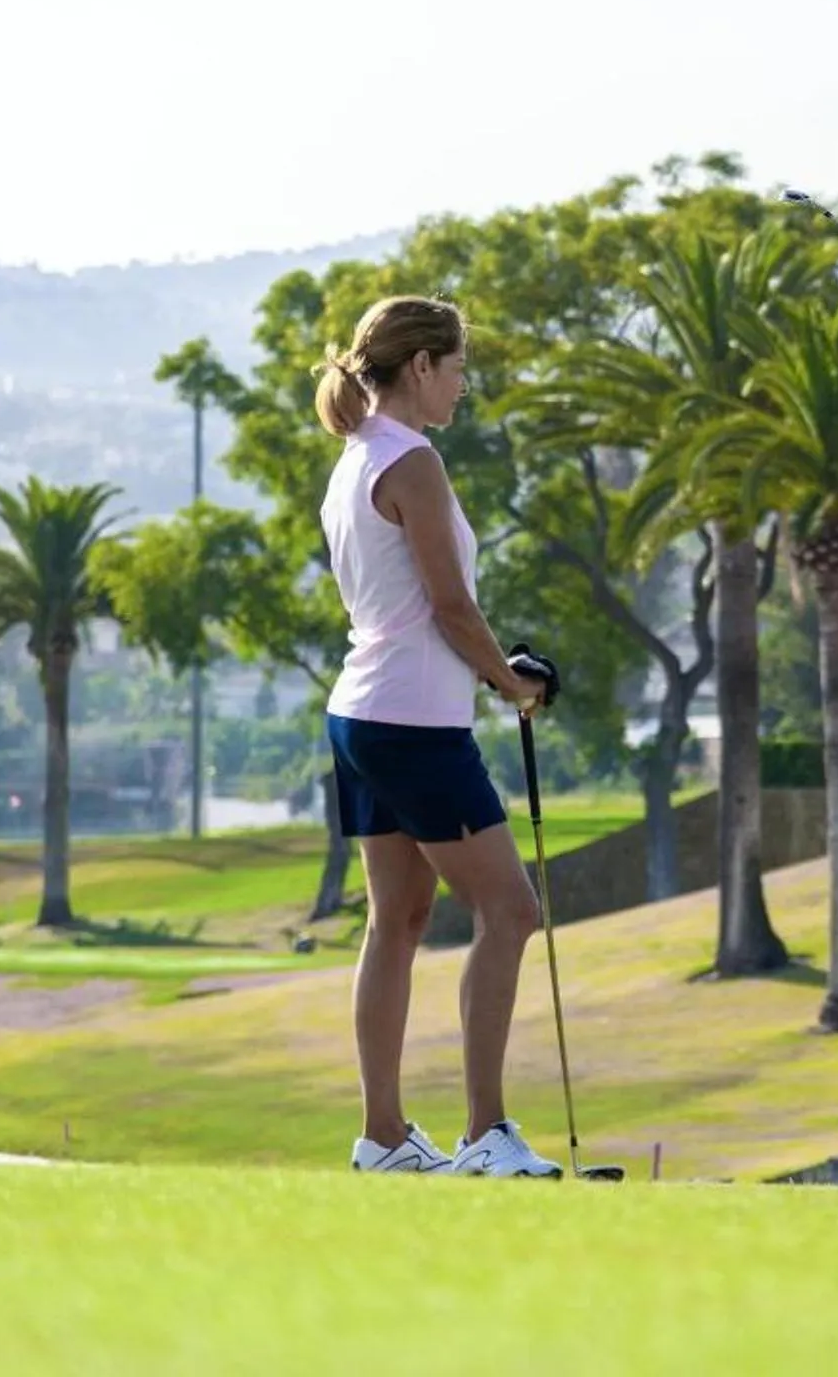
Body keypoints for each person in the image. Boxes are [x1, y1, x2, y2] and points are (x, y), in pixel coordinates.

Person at [315, 295, 560, 1177]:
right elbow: (449, 606)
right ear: (421, 366)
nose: (462, 385)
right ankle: (485, 1133)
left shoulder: (356, 458)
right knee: (511, 909)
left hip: (363, 715)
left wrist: (496, 673)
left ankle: (383, 1137)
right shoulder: (412, 462)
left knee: (401, 918)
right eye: (457, 367)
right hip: (413, 721)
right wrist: (513, 685)